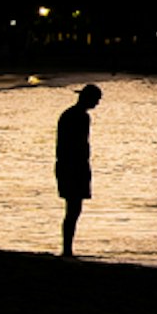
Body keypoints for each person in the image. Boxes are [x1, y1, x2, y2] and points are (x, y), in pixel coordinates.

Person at [54, 84, 101, 256]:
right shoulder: (80, 117)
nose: (97, 104)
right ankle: (67, 249)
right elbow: (79, 144)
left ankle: (67, 248)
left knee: (72, 209)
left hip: (68, 164)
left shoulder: (69, 114)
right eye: (96, 100)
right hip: (74, 165)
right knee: (73, 209)